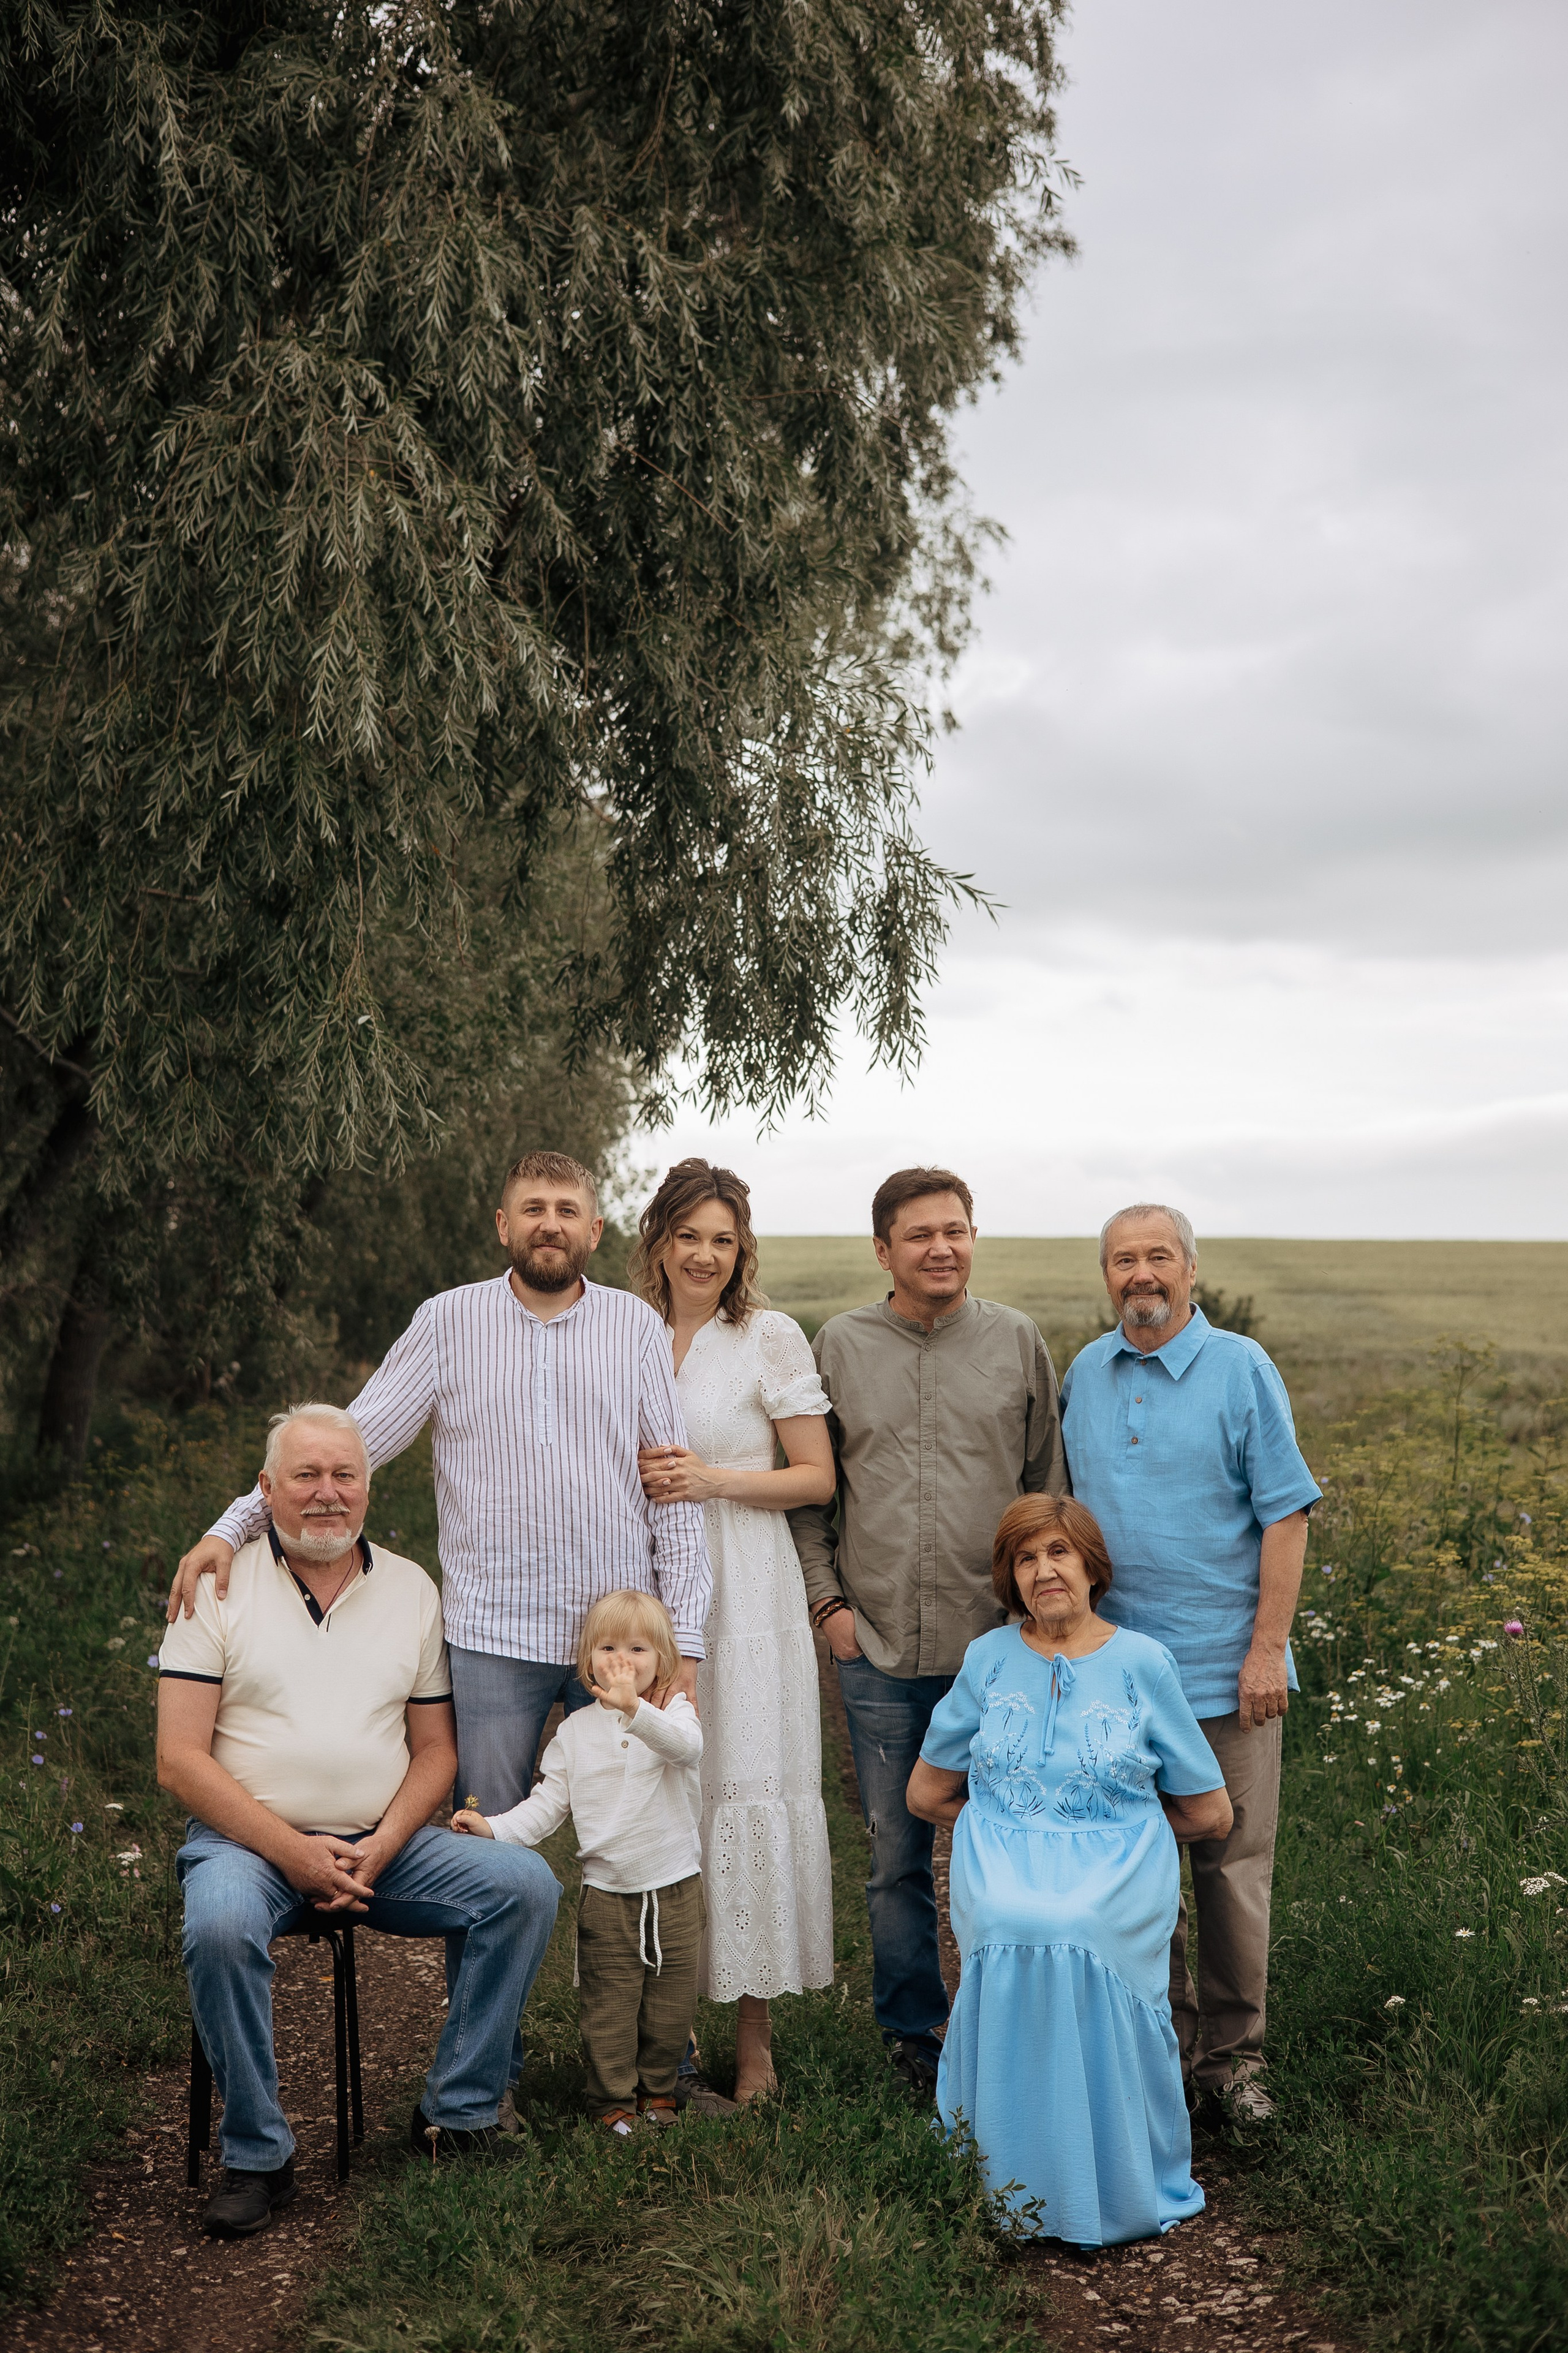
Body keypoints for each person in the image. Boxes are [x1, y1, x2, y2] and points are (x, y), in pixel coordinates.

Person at [168, 1151, 712, 1822]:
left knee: (636, 1838)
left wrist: (683, 1642)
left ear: (595, 1230)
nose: (550, 1225)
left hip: (620, 1633)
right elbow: (351, 1443)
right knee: (482, 1837)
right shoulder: (445, 1321)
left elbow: (674, 1492)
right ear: (502, 1226)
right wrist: (233, 1525)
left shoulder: (635, 1328)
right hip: (492, 1631)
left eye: (567, 1211)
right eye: (533, 1209)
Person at [158, 1405, 560, 2237]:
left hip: (384, 1846)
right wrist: (295, 1854)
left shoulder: (410, 1588)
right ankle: (258, 2152)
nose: (327, 1495)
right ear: (266, 1490)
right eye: (305, 1476)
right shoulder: (215, 1586)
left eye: (345, 1475)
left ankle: (460, 2109)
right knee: (222, 1924)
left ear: (369, 1489)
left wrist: (381, 1844)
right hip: (250, 1843)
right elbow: (180, 1760)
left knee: (525, 1886)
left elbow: (435, 1753)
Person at [789, 1166, 1068, 2100]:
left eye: (956, 1230)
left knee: (1016, 1842)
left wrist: (1041, 1619)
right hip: (876, 1650)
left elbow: (1048, 1488)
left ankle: (1014, 2020)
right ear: (884, 1249)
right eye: (919, 1234)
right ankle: (915, 2035)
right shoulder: (838, 1346)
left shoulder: (1017, 1341)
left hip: (1000, 1651)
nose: (941, 1247)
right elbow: (815, 1491)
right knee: (895, 1854)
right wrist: (829, 1609)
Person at [908, 1495, 1232, 2247]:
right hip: (1007, 1858)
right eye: (1025, 1558)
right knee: (1018, 1918)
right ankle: (1000, 2175)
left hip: (1116, 1865)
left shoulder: (1142, 1662)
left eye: (1057, 1552)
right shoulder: (988, 1658)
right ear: (1010, 1577)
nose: (1043, 1570)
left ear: (1091, 1566)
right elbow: (926, 1793)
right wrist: (1006, 1823)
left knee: (1076, 1922)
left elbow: (1210, 1811)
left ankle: (1113, 2178)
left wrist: (1126, 1832)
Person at [1060, 1203, 1322, 2126]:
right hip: (1113, 1677)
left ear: (1190, 1270)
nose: (1141, 1274)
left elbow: (1286, 1514)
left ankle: (1232, 2064)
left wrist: (1265, 1651)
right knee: (1132, 1871)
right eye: (1123, 1259)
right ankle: (1153, 2056)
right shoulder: (1086, 1373)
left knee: (1230, 1869)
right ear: (1106, 1275)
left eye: (1158, 1257)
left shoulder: (1242, 1368)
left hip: (1223, 1672)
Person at [630, 1159, 836, 2102]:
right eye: (690, 1235)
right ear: (659, 1241)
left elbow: (816, 1479)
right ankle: (658, 2035)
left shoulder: (768, 1337)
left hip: (748, 1592)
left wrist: (711, 1479)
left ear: (741, 1248)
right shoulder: (621, 1332)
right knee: (656, 1800)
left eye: (724, 1237)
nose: (706, 1254)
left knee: (743, 1784)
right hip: (639, 1589)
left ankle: (752, 2041)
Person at [454, 1591, 705, 2136]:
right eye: (608, 1646)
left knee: (670, 2006)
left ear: (662, 1658)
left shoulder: (672, 1713)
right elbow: (548, 1805)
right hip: (609, 1892)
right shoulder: (575, 1732)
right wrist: (494, 1827)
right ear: (587, 1659)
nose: (623, 1659)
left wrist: (635, 1708)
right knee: (610, 2004)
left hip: (675, 1888)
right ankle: (612, 2101)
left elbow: (687, 1749)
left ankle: (659, 2091)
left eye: (639, 1648)